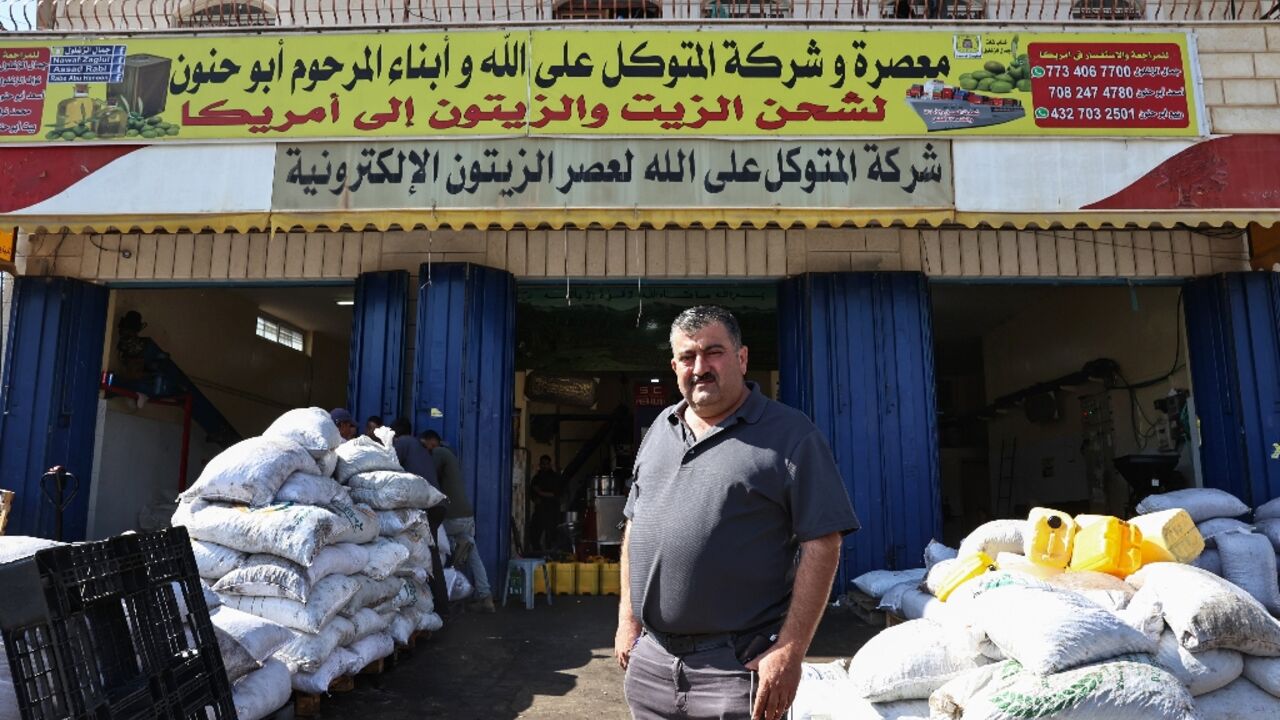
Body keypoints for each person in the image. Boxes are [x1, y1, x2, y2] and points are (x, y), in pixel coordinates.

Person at [616, 306, 859, 720]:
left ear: (742, 358)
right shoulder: (661, 428)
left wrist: (789, 650)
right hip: (652, 665)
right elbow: (635, 527)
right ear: (674, 366)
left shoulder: (790, 434)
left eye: (714, 352)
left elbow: (823, 542)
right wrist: (628, 620)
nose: (700, 367)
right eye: (688, 357)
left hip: (735, 669)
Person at [422, 430, 494, 613]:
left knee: (433, 548)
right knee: (472, 554)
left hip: (452, 517)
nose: (425, 450)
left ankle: (441, 597)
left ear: (432, 442)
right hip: (466, 516)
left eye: (425, 445)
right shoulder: (451, 457)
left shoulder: (438, 453)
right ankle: (486, 596)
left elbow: (428, 478)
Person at [390, 417, 451, 618]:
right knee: (425, 555)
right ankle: (435, 606)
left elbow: (389, 467)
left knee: (429, 558)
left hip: (428, 508)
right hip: (436, 506)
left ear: (396, 435)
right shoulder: (418, 448)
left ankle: (440, 607)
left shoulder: (403, 444)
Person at [528, 454, 564, 553]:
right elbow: (532, 492)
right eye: (543, 464)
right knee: (533, 534)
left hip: (552, 511)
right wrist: (535, 498)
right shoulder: (537, 477)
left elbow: (555, 494)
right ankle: (538, 554)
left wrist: (540, 493)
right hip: (540, 511)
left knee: (551, 537)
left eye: (546, 464)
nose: (544, 466)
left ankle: (551, 557)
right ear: (540, 464)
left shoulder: (555, 478)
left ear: (550, 464)